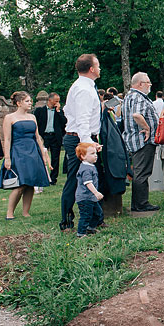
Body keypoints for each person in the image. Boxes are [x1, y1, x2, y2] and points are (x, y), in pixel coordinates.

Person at [60, 54, 103, 231]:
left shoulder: (83, 87)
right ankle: (67, 220)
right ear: (91, 69)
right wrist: (88, 145)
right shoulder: (84, 89)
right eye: (98, 65)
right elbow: (82, 121)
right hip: (79, 138)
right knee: (75, 179)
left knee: (89, 176)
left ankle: (93, 217)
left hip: (82, 136)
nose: (100, 69)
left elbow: (67, 111)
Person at [0, 91, 51, 219]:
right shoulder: (9, 118)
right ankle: (9, 213)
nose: (30, 103)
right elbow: (7, 139)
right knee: (20, 184)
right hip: (18, 152)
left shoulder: (32, 117)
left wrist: (43, 154)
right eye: (27, 101)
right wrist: (7, 158)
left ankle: (26, 212)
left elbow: (37, 138)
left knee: (31, 182)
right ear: (19, 103)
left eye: (30, 101)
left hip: (33, 152)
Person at [121, 72, 161, 212]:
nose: (150, 85)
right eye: (148, 82)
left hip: (136, 140)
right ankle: (141, 203)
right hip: (142, 141)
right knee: (142, 172)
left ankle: (139, 202)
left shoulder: (130, 96)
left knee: (140, 172)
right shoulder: (138, 97)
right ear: (140, 84)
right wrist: (147, 128)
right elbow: (137, 115)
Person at [34, 92, 67, 185]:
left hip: (55, 137)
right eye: (56, 101)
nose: (57, 103)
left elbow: (64, 122)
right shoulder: (40, 111)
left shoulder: (59, 111)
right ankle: (41, 176)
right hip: (43, 136)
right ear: (50, 100)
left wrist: (59, 111)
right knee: (41, 156)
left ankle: (53, 179)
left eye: (58, 101)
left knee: (55, 158)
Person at [74, 142, 104, 237]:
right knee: (86, 215)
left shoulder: (90, 165)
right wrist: (96, 193)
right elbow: (88, 183)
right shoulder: (86, 169)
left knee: (97, 213)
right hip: (85, 197)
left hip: (91, 197)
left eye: (95, 153)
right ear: (83, 156)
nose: (95, 156)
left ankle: (90, 228)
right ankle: (81, 233)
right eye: (92, 154)